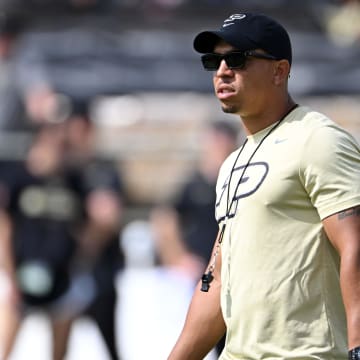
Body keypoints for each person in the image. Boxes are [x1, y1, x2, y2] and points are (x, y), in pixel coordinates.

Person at [168, 12, 360, 360]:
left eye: (237, 59)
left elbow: (356, 247)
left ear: (279, 71)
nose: (222, 71)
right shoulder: (230, 165)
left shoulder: (317, 139)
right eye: (214, 60)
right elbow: (218, 279)